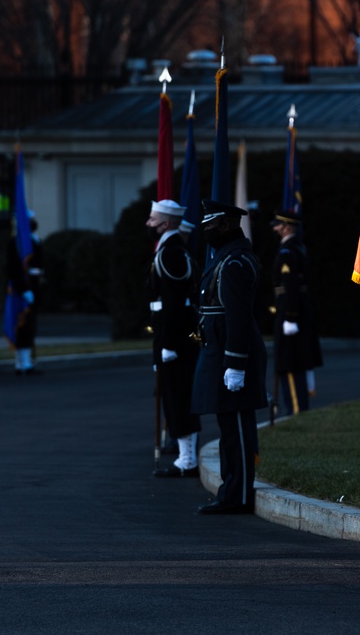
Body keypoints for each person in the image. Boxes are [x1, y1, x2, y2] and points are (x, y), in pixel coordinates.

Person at [191, 199, 267, 514]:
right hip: (219, 354)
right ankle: (231, 490)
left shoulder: (235, 263)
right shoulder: (226, 258)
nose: (206, 232)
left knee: (236, 429)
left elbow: (237, 317)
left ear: (225, 225)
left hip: (231, 357)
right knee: (228, 427)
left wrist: (235, 363)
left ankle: (238, 494)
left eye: (210, 226)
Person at [146, 200, 203, 477]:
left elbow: (173, 301)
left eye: (153, 220)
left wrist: (168, 343)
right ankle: (186, 456)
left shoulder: (171, 253)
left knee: (178, 394)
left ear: (166, 223)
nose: (149, 224)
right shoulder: (171, 250)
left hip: (174, 337)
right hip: (171, 334)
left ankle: (187, 459)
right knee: (173, 393)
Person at [269, 210, 323, 415]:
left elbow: (290, 284)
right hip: (296, 309)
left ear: (287, 227)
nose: (275, 229)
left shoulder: (287, 252)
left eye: (278, 225)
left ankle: (296, 411)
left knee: (290, 363)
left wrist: (290, 316)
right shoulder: (297, 248)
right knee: (294, 361)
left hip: (291, 312)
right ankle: (296, 409)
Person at [6, 211, 44, 375]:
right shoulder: (16, 244)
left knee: (30, 326)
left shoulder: (33, 240)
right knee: (21, 326)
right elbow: (14, 270)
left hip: (33, 288)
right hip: (21, 290)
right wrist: (24, 289)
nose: (33, 222)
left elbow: (39, 265)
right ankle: (21, 363)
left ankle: (26, 362)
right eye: (30, 220)